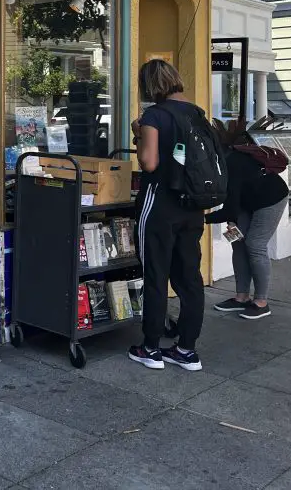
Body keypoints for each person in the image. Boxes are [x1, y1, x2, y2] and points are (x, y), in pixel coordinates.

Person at [129, 59, 207, 372]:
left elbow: (148, 162)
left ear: (148, 86)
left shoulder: (155, 115)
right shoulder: (197, 113)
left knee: (156, 275)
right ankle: (186, 349)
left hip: (160, 204)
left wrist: (138, 135)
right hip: (192, 205)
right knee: (190, 278)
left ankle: (150, 347)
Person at [206, 120, 288, 320]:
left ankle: (261, 301)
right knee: (237, 243)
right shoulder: (222, 161)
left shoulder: (231, 163)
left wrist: (199, 218)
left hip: (271, 199)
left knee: (255, 244)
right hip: (247, 201)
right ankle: (241, 297)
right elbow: (231, 203)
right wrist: (230, 219)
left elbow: (230, 207)